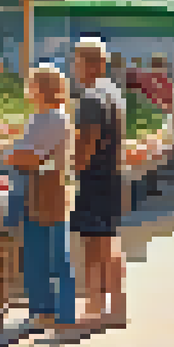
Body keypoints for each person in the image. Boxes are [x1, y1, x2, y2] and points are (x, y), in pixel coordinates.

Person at [0, 68, 79, 332]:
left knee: (50, 253)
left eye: (32, 84)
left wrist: (9, 155)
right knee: (37, 252)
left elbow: (32, 158)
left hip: (45, 187)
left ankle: (57, 311)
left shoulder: (50, 118)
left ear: (42, 89)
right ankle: (47, 310)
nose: (28, 88)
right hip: (41, 187)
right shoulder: (44, 117)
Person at [67, 39, 128, 328]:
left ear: (92, 64)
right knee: (104, 240)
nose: (74, 68)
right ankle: (107, 304)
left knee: (98, 242)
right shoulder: (113, 93)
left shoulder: (91, 98)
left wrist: (73, 167)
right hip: (112, 175)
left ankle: (103, 306)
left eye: (77, 62)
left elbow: (88, 139)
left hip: (95, 176)